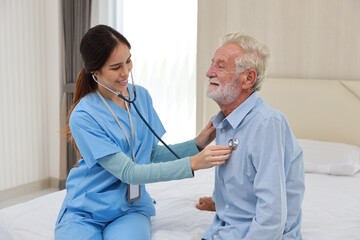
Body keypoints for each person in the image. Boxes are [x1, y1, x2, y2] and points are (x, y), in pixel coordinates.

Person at [55, 24, 231, 240]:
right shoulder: (83, 116)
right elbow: (129, 172)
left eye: (128, 61)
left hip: (130, 208)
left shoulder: (141, 97)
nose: (126, 72)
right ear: (95, 71)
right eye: (115, 67)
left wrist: (197, 144)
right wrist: (193, 163)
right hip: (86, 210)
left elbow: (149, 155)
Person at [196, 32, 305, 239]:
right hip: (224, 229)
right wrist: (217, 201)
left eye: (220, 66)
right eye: (212, 64)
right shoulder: (224, 122)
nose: (209, 72)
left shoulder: (267, 123)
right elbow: (239, 177)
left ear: (248, 79)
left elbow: (272, 215)